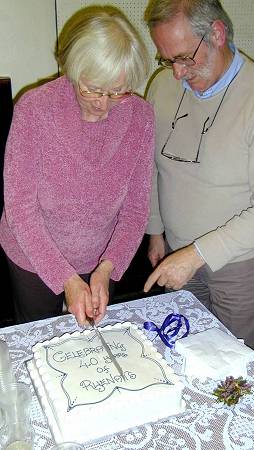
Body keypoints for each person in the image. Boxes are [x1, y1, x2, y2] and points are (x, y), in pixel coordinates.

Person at [143, 0, 254, 350]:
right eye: (167, 60)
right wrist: (155, 230)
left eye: (184, 57)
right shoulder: (162, 88)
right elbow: (153, 166)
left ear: (216, 34)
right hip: (177, 251)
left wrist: (194, 254)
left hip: (241, 265)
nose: (177, 73)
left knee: (228, 363)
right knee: (180, 351)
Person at [0, 5, 154, 326]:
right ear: (73, 68)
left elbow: (136, 208)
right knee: (39, 336)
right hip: (32, 253)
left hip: (101, 257)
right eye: (93, 90)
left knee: (89, 343)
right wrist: (65, 277)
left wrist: (108, 266)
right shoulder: (34, 109)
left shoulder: (140, 116)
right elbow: (20, 208)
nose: (104, 104)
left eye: (117, 92)